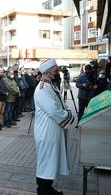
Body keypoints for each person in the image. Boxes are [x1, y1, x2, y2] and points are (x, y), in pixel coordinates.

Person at [34, 59, 74, 195]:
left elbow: (62, 104)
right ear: (46, 73)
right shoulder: (42, 89)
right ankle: (43, 190)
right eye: (55, 71)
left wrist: (67, 111)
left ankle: (48, 188)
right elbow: (54, 110)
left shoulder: (50, 86)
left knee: (50, 160)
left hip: (52, 131)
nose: (57, 74)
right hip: (46, 132)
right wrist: (69, 116)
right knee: (46, 162)